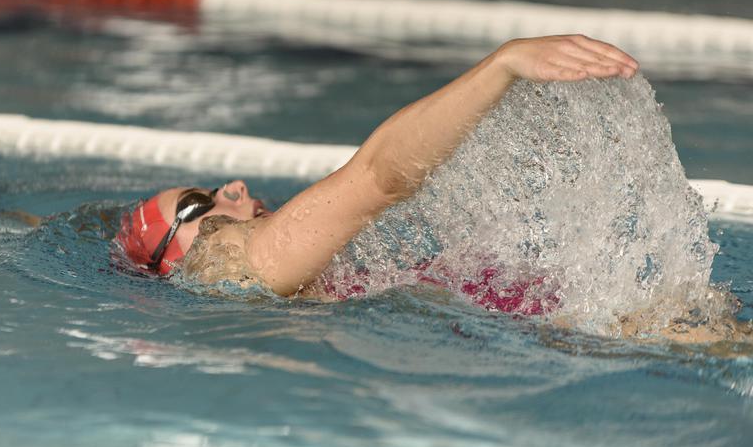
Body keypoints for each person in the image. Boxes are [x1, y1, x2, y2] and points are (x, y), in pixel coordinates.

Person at [116, 35, 639, 297]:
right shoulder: (239, 256)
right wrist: (502, 66)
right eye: (197, 205)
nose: (230, 187)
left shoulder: (278, 274)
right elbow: (377, 179)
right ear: (174, 261)